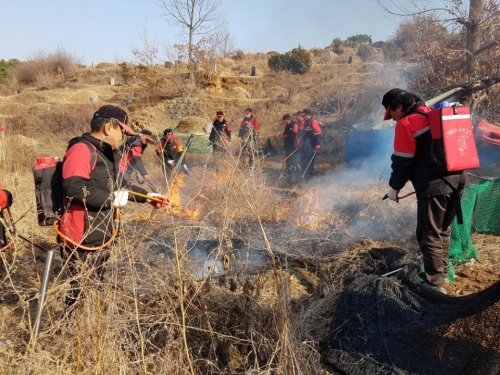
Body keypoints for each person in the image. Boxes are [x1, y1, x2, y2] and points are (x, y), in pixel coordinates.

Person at [58, 105, 169, 307]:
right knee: (81, 290)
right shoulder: (81, 149)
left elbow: (119, 184)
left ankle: (91, 328)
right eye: (122, 131)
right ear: (109, 128)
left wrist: (147, 196)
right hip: (80, 235)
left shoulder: (107, 153)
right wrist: (112, 200)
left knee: (96, 286)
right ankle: (71, 328)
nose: (123, 137)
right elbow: (73, 188)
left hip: (101, 232)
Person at [382, 88, 469, 294]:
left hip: (434, 188)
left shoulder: (406, 123)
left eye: (391, 113)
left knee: (428, 234)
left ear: (399, 107)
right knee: (442, 230)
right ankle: (442, 272)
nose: (392, 119)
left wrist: (394, 188)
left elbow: (402, 161)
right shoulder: (435, 115)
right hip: (459, 182)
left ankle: (435, 284)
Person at [299, 108, 321, 177]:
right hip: (305, 145)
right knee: (303, 159)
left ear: (308, 115)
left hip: (312, 145)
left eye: (304, 116)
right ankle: (304, 173)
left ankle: (309, 175)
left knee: (309, 160)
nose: (303, 117)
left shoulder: (313, 122)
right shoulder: (305, 122)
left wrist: (317, 144)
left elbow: (318, 134)